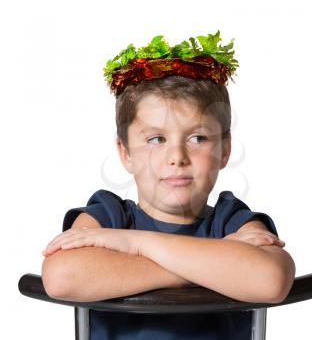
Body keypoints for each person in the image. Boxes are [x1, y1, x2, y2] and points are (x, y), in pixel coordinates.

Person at [41, 31, 296, 340]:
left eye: (197, 138)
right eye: (156, 139)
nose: (177, 157)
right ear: (125, 152)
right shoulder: (107, 216)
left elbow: (269, 279)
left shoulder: (231, 219)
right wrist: (211, 268)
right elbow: (61, 276)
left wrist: (137, 245)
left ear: (224, 149)